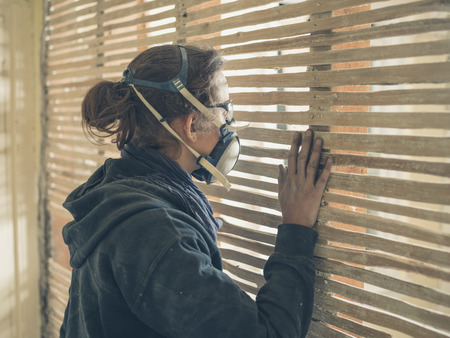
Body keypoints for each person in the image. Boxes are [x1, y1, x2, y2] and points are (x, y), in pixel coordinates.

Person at [60, 44, 333, 338]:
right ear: (191, 126)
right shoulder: (157, 234)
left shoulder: (112, 193)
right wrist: (296, 229)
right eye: (224, 111)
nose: (230, 123)